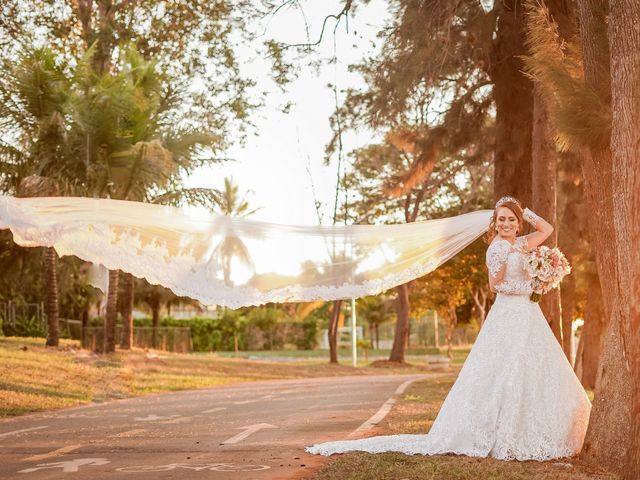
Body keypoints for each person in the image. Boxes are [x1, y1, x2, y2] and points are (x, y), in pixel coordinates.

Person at [306, 196, 591, 461]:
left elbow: (547, 228)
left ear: (518, 223)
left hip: (528, 314)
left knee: (533, 367)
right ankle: (500, 432)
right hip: (509, 312)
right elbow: (496, 286)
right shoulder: (498, 248)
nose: (506, 224)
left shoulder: (523, 243)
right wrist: (529, 285)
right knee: (504, 369)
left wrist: (522, 210)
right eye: (501, 219)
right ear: (494, 224)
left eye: (511, 220)